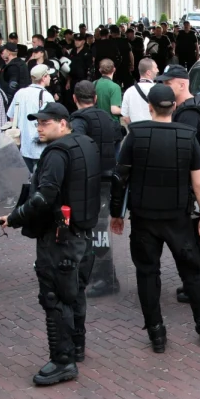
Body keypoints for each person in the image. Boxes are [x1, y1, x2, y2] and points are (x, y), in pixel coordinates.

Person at [0, 103, 99, 386]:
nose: (39, 127)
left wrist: (14, 218)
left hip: (60, 239)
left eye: (45, 122)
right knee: (75, 293)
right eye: (37, 123)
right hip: (82, 234)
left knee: (56, 298)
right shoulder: (86, 143)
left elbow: (43, 198)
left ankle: (63, 361)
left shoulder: (56, 153)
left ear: (62, 123)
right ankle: (76, 347)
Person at [110, 84, 200, 353]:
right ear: (175, 107)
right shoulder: (187, 136)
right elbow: (199, 184)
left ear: (150, 107)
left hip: (144, 217)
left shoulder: (135, 135)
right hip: (178, 218)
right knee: (193, 273)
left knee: (147, 274)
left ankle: (156, 334)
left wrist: (115, 214)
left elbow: (120, 177)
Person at [163, 65, 200, 302]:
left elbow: (183, 149)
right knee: (199, 235)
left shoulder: (189, 112)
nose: (164, 87)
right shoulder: (195, 105)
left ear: (182, 84)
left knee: (197, 235)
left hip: (198, 184)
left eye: (168, 83)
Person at [70, 79, 122, 298]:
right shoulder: (108, 120)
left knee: (93, 230)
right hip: (107, 181)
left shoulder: (78, 121)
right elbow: (118, 140)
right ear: (95, 98)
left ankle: (104, 277)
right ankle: (100, 274)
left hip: (89, 183)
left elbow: (77, 146)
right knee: (100, 229)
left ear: (74, 98)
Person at [6, 64, 55, 173]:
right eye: (48, 75)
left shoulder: (20, 93)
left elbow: (11, 117)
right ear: (43, 77)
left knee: (26, 181)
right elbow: (52, 122)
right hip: (41, 148)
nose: (50, 78)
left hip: (23, 146)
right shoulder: (46, 96)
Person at [121, 58, 157, 127]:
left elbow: (125, 117)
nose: (157, 70)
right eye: (156, 68)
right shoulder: (158, 89)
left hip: (136, 132)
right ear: (148, 72)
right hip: (154, 130)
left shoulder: (129, 91)